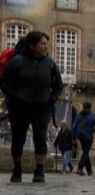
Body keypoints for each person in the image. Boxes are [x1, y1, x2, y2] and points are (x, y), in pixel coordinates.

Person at [0, 31, 63, 183]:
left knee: (40, 137)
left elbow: (58, 85)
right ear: (32, 45)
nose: (45, 47)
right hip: (19, 107)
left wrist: (51, 100)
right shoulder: (17, 61)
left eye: (46, 44)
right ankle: (17, 168)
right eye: (42, 44)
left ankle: (39, 169)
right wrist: (13, 96)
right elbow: (3, 81)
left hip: (42, 107)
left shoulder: (49, 64)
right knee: (18, 138)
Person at [71, 101, 95, 176]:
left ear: (83, 106)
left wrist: (73, 138)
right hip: (88, 135)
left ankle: (89, 170)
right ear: (90, 107)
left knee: (85, 152)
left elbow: (74, 127)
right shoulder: (92, 115)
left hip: (80, 136)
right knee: (86, 152)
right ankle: (80, 168)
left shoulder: (79, 115)